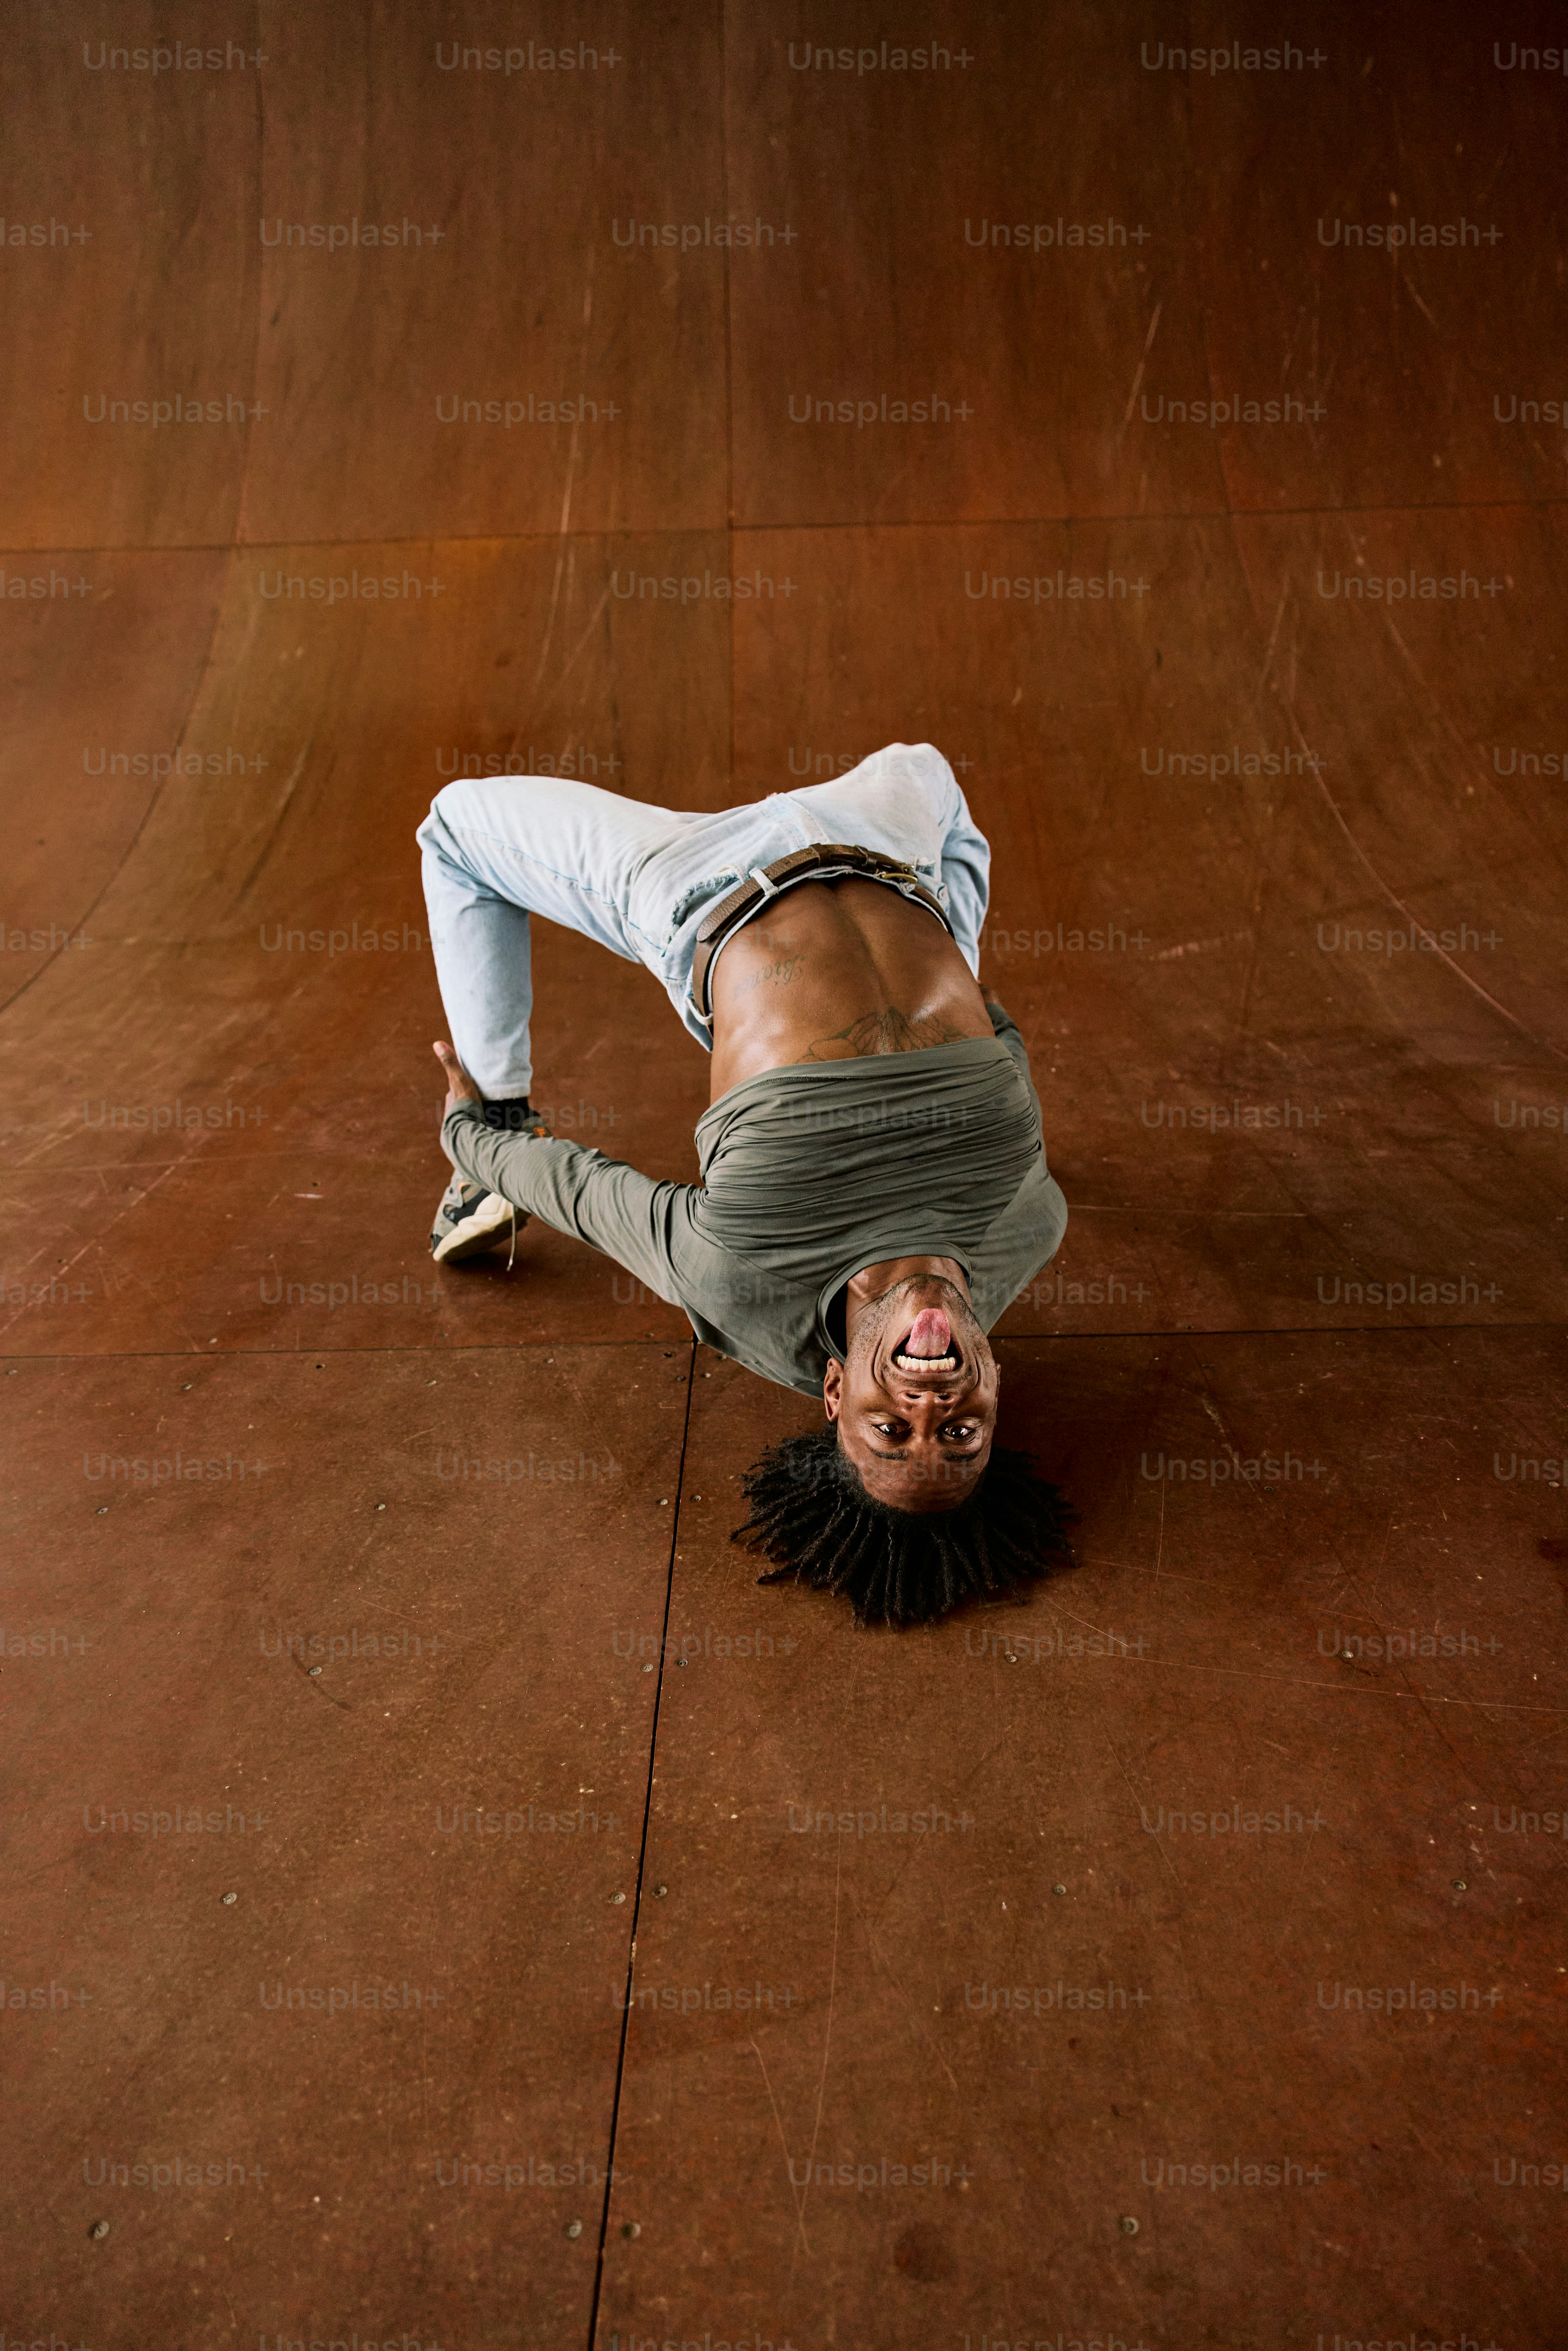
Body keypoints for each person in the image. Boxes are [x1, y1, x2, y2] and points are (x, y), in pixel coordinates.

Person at [417, 743, 1073, 1623]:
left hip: (700, 889)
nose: (931, 1404)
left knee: (455, 824)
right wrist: (960, 986)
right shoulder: (1029, 1225)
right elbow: (1008, 1043)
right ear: (992, 1385)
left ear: (837, 1395)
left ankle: (486, 1146)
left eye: (891, 1429)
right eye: (960, 1434)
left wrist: (477, 1131)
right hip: (887, 850)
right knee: (933, 772)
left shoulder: (741, 1273)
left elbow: (582, 1191)